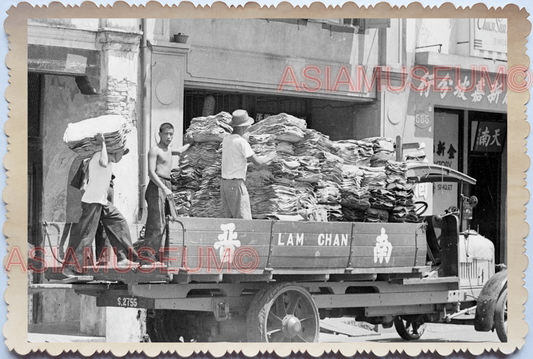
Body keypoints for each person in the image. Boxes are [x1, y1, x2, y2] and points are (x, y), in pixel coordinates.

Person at [63, 133, 139, 275]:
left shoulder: (108, 161)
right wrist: (103, 142)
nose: (122, 156)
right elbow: (103, 162)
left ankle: (123, 258)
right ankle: (71, 266)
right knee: (85, 234)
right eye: (122, 153)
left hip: (101, 201)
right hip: (92, 201)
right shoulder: (99, 155)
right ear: (114, 151)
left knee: (119, 222)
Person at [140, 123, 194, 260]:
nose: (169, 137)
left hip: (167, 184)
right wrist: (164, 187)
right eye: (166, 134)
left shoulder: (169, 149)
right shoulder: (154, 150)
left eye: (171, 134)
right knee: (156, 222)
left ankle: (164, 255)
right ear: (160, 134)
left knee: (170, 220)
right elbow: (151, 173)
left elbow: (180, 151)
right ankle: (147, 257)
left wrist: (191, 142)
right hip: (156, 186)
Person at [220, 109, 275, 219]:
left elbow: (237, 154)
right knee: (243, 219)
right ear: (243, 127)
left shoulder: (227, 140)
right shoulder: (241, 142)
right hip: (236, 185)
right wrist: (270, 156)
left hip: (225, 184)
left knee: (230, 218)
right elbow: (257, 162)